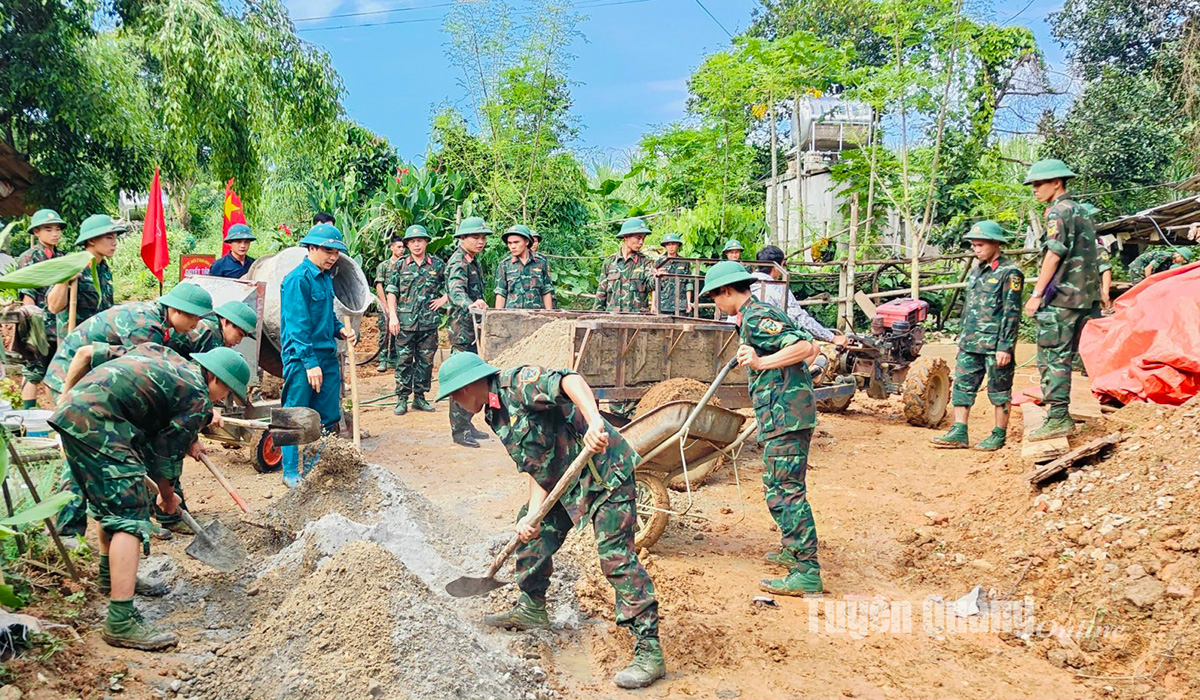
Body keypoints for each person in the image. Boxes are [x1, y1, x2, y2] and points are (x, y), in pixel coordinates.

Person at [435, 352, 665, 689]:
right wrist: (532, 514)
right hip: (564, 483)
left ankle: (649, 650)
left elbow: (569, 379)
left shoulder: (517, 384)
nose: (454, 401)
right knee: (531, 533)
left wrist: (595, 422)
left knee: (615, 558)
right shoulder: (495, 416)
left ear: (472, 384)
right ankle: (532, 606)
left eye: (455, 393)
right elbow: (536, 465)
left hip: (606, 473)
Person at [50, 344, 250, 650]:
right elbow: (164, 457)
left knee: (113, 506)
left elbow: (154, 400)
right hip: (103, 425)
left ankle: (109, 576)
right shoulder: (198, 395)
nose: (222, 400)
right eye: (226, 393)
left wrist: (190, 439)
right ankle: (120, 621)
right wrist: (168, 497)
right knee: (131, 516)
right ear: (215, 378)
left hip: (76, 412)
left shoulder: (169, 358)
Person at [48, 284, 215, 537]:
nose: (196, 325)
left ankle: (148, 514)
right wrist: (64, 398)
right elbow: (122, 376)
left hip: (99, 379)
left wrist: (190, 437)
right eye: (193, 317)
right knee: (84, 448)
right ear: (176, 310)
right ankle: (69, 528)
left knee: (119, 444)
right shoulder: (145, 328)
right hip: (75, 374)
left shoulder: (159, 321)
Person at [700, 260, 824, 595]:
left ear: (726, 291)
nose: (717, 305)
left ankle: (807, 570)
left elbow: (803, 346)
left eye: (715, 298)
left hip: (787, 416)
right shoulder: (755, 315)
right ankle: (792, 548)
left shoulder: (756, 317)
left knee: (784, 490)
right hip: (783, 413)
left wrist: (761, 362)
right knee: (778, 484)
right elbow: (807, 348)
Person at [1022, 159, 1100, 441]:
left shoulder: (1057, 212)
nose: (1034, 189)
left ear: (1057, 183)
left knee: (1052, 357)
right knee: (1066, 357)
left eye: (1039, 183)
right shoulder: (1082, 211)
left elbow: (1053, 254)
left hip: (1063, 298)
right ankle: (1060, 415)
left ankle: (1057, 418)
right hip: (1084, 298)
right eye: (1032, 184)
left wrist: (1036, 294)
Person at [932, 221, 1023, 452]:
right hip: (970, 342)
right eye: (973, 245)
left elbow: (1011, 313)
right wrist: (961, 336)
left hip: (994, 345)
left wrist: (1005, 346)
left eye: (980, 245)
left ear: (996, 244)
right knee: (962, 387)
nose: (976, 249)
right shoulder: (976, 271)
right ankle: (959, 431)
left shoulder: (1009, 273)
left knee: (999, 390)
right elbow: (970, 307)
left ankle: (998, 434)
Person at [279, 223, 357, 486]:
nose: (333, 256)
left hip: (326, 356)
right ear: (311, 248)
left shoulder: (325, 279)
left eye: (336, 252)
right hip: (302, 359)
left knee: (326, 415)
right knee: (294, 414)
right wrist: (310, 363)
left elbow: (327, 317)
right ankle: (290, 471)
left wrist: (341, 331)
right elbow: (297, 324)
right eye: (327, 250)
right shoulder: (296, 280)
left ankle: (314, 468)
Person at [386, 225, 447, 416]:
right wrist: (393, 316)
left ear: (427, 242)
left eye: (420, 240)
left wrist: (443, 299)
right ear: (407, 244)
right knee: (403, 361)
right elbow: (391, 291)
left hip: (428, 323)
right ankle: (402, 399)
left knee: (425, 362)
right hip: (404, 323)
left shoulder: (437, 265)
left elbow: (452, 285)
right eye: (412, 241)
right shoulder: (400, 264)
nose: (416, 244)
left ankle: (420, 397)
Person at [444, 217, 492, 447]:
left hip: (472, 329)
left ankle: (467, 423)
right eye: (476, 237)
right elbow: (456, 291)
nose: (481, 241)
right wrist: (469, 303)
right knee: (461, 382)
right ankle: (459, 430)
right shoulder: (458, 262)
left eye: (483, 237)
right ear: (462, 238)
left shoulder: (473, 261)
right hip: (462, 331)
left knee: (473, 379)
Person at [15, 209, 65, 408]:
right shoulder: (29, 258)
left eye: (57, 229)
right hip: (38, 324)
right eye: (48, 229)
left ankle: (55, 415)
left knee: (57, 371)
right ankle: (28, 415)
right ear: (36, 232)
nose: (55, 234)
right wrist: (33, 331)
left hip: (59, 324)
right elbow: (28, 297)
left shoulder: (63, 257)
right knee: (34, 372)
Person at [750, 245, 844, 344]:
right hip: (767, 338)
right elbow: (798, 318)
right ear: (776, 268)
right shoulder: (778, 288)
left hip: (743, 332)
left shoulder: (744, 283)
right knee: (810, 346)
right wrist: (831, 337)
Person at [46, 213, 122, 336]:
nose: (114, 243)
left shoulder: (103, 267)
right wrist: (64, 281)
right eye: (109, 238)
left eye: (115, 238)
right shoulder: (73, 264)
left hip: (98, 339)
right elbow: (53, 307)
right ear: (91, 240)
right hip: (75, 343)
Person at [594, 218, 652, 314]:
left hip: (637, 321)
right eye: (638, 238)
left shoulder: (646, 263)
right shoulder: (609, 263)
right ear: (626, 237)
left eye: (643, 238)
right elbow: (601, 294)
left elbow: (652, 283)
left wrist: (659, 276)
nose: (641, 242)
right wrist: (596, 316)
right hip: (612, 320)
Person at [494, 224, 553, 310]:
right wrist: (497, 316)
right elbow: (501, 293)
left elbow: (546, 290)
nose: (513, 246)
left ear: (527, 242)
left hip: (537, 315)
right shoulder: (505, 264)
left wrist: (549, 314)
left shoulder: (540, 262)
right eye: (509, 243)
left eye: (516, 242)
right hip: (512, 317)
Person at [374, 236, 405, 372]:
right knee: (385, 332)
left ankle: (393, 357)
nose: (401, 249)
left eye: (403, 247)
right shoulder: (384, 266)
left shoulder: (406, 264)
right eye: (398, 247)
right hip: (386, 305)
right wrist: (385, 305)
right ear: (391, 247)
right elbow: (379, 286)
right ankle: (382, 359)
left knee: (398, 332)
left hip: (402, 305)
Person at [651, 233, 692, 315]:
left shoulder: (684, 262)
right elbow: (654, 285)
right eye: (668, 244)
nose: (670, 247)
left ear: (677, 245)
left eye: (673, 244)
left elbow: (688, 283)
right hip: (663, 304)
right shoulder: (659, 262)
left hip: (680, 304)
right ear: (665, 246)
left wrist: (688, 302)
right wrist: (653, 304)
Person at [529, 229, 555, 308]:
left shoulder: (542, 259)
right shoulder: (510, 261)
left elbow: (547, 284)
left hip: (539, 304)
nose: (533, 244)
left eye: (536, 241)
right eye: (531, 241)